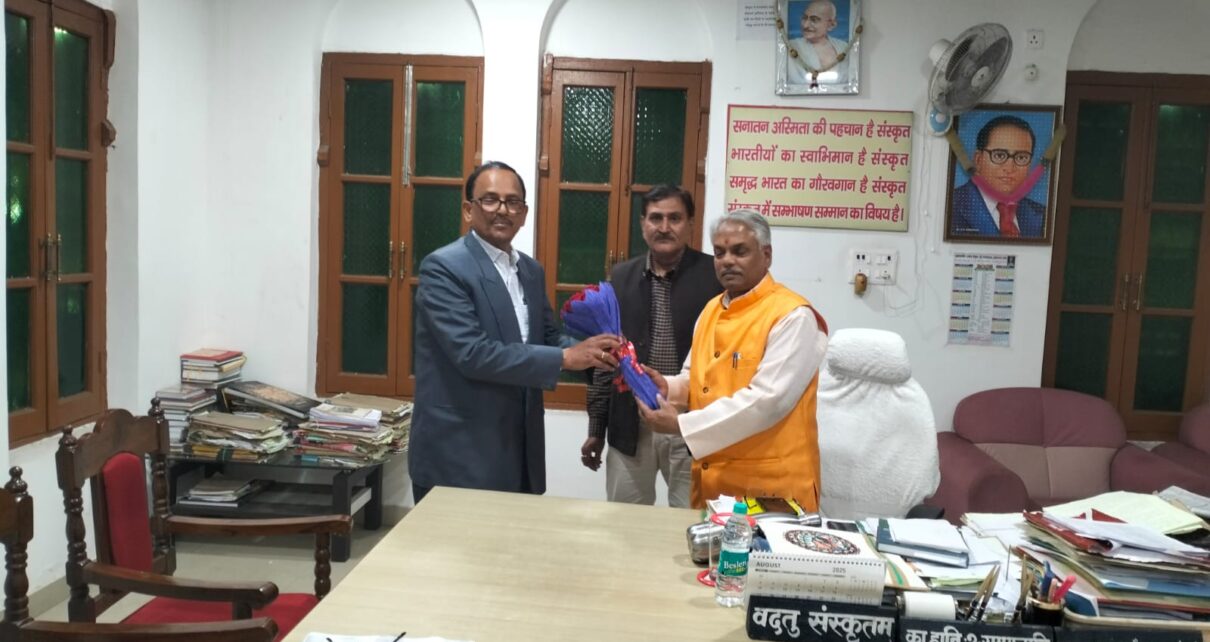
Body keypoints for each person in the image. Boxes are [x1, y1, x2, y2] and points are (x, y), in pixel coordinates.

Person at [409, 161, 620, 504]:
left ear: (524, 214)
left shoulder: (530, 270)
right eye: (490, 200)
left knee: (512, 539)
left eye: (513, 202)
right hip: (459, 452)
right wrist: (566, 357)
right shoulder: (444, 268)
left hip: (518, 447)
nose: (502, 210)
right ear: (468, 210)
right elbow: (473, 353)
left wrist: (599, 354)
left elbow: (547, 337)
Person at [638, 209, 829, 510]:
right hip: (714, 485)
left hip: (772, 491)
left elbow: (767, 402)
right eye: (719, 253)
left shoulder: (793, 316)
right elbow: (695, 377)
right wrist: (668, 387)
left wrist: (682, 425)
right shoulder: (711, 310)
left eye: (740, 251)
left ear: (766, 255)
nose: (727, 261)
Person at [581, 185, 722, 508]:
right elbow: (606, 356)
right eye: (656, 218)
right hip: (631, 423)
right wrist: (596, 428)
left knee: (691, 522)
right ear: (643, 224)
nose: (664, 227)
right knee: (623, 522)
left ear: (690, 224)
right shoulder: (621, 277)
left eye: (675, 218)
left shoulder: (713, 277)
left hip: (691, 423)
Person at [951, 115, 1047, 238]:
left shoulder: (1043, 214)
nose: (1009, 168)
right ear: (978, 160)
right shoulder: (950, 205)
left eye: (1021, 157)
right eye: (999, 155)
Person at [786, 0, 849, 86]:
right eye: (804, 18)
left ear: (831, 25)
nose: (805, 25)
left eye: (814, 20)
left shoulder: (844, 47)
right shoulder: (790, 47)